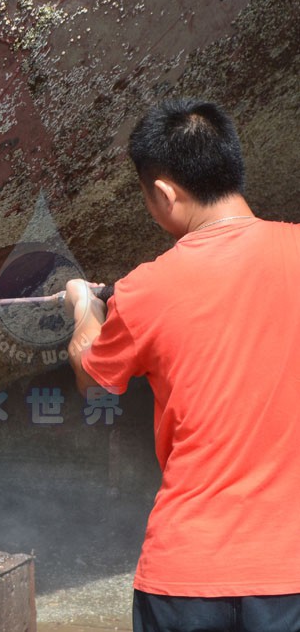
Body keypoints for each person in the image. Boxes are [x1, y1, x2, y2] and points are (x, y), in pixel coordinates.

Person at [64, 98, 300, 632]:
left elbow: (95, 384)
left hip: (186, 575)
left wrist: (85, 307)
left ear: (166, 192)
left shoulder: (144, 288)